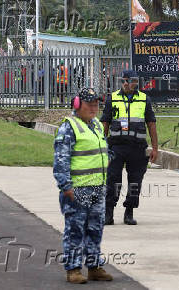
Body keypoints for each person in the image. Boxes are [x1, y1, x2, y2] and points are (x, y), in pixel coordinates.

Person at [53, 87, 113, 284]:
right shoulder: (69, 127)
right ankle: (73, 270)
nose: (94, 107)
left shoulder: (95, 124)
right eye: (90, 103)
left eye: (96, 103)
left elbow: (100, 150)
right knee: (75, 230)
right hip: (77, 190)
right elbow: (61, 160)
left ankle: (94, 267)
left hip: (97, 187)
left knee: (95, 229)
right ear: (77, 105)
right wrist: (65, 186)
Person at [100, 70, 158, 226]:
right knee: (112, 180)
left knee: (135, 182)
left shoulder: (144, 99)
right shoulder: (112, 98)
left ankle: (129, 212)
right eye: (123, 80)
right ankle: (108, 213)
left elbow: (151, 123)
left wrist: (155, 148)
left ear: (136, 82)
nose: (125, 83)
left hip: (137, 148)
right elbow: (105, 122)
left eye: (129, 80)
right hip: (116, 147)